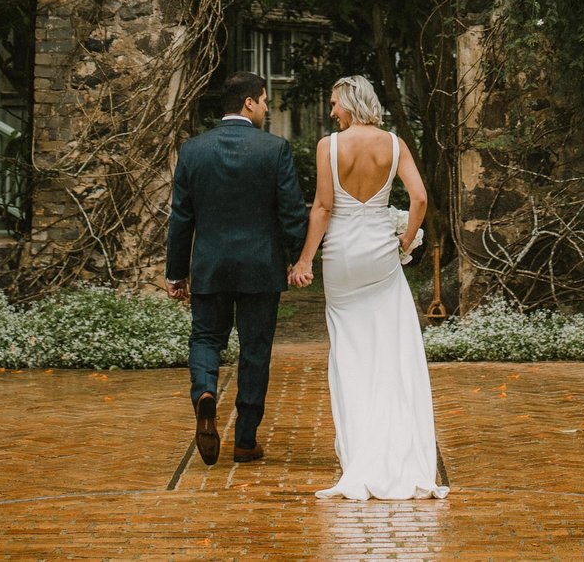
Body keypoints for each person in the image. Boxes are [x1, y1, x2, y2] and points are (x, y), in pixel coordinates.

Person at [288, 73, 448, 500]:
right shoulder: (394, 145)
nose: (331, 110)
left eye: (334, 103)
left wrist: (305, 259)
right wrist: (408, 237)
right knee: (389, 348)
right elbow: (419, 198)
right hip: (380, 254)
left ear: (350, 103)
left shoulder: (329, 146)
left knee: (349, 351)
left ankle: (358, 449)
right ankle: (394, 439)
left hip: (341, 257)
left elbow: (323, 206)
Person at [166, 70, 309, 466]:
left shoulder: (192, 150)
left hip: (210, 265)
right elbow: (293, 213)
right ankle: (245, 441)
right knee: (255, 351)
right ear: (249, 102)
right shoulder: (274, 149)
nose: (266, 107)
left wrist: (176, 273)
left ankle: (205, 393)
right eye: (264, 100)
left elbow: (181, 217)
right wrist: (301, 256)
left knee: (206, 338)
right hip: (261, 268)